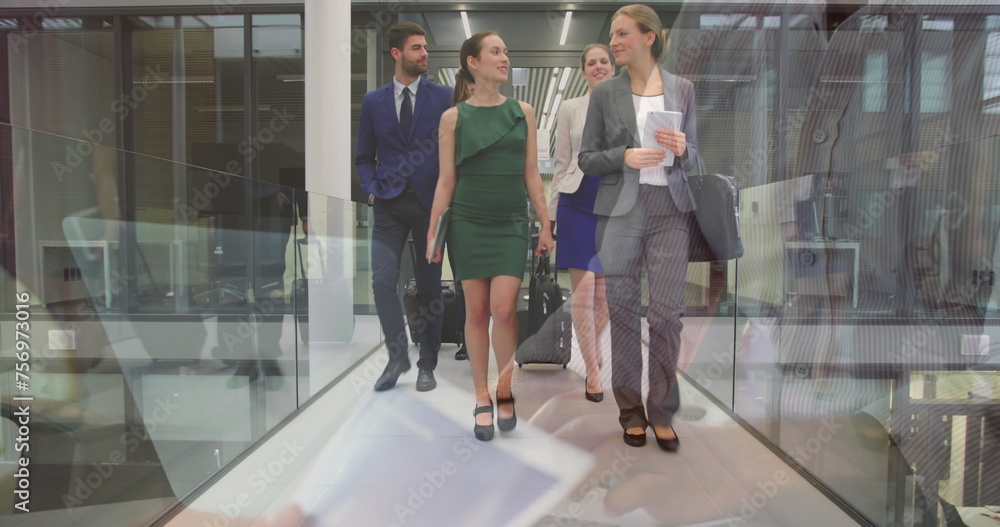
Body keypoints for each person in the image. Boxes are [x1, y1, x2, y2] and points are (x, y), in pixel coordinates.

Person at [579, 4, 700, 452]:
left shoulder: (683, 90)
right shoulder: (605, 94)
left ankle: (663, 410)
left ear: (649, 37)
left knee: (668, 316)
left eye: (622, 33)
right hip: (621, 213)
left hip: (670, 210)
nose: (614, 42)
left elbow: (699, 161)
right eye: (612, 34)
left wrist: (685, 149)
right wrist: (623, 157)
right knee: (625, 313)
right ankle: (630, 412)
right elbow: (586, 158)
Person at [426, 31, 554, 441]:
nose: (505, 57)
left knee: (503, 308)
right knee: (476, 311)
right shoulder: (453, 118)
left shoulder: (524, 111)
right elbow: (446, 180)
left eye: (506, 50)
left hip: (511, 223)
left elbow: (532, 174)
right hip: (467, 222)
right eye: (495, 51)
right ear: (472, 63)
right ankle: (481, 395)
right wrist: (434, 230)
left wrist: (545, 222)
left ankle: (504, 386)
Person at [356, 22, 454, 392]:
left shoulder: (445, 96)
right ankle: (397, 355)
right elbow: (364, 156)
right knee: (382, 282)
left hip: (433, 207)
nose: (424, 53)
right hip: (390, 206)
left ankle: (427, 364)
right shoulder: (373, 101)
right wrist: (371, 189)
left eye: (425, 47)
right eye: (416, 48)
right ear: (396, 54)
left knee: (430, 287)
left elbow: (454, 150)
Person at [546, 44, 615, 402]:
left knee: (603, 297)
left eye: (604, 61)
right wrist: (551, 216)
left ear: (613, 67)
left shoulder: (628, 106)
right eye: (591, 62)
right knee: (585, 292)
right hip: (576, 201)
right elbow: (562, 163)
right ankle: (591, 368)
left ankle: (594, 349)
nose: (598, 66)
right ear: (583, 71)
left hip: (613, 204)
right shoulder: (571, 108)